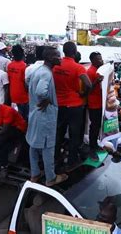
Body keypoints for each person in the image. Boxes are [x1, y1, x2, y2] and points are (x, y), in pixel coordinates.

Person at [26, 47, 68, 187]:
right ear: (50, 58)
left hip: (34, 114)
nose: (60, 58)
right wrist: (47, 99)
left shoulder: (37, 70)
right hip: (45, 117)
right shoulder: (46, 74)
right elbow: (40, 91)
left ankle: (35, 174)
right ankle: (50, 178)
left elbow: (27, 83)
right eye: (57, 56)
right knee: (48, 147)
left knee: (33, 144)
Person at [53, 42, 91, 170]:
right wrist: (82, 93)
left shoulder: (55, 65)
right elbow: (89, 84)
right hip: (75, 105)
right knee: (74, 135)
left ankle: (56, 159)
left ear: (63, 51)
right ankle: (71, 161)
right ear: (74, 52)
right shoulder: (78, 67)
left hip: (59, 104)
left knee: (59, 133)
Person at [86, 51, 104, 161]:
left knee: (97, 125)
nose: (101, 60)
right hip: (93, 104)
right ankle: (92, 147)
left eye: (101, 58)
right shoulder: (90, 72)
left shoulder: (98, 70)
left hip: (99, 102)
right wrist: (96, 82)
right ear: (93, 60)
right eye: (98, 59)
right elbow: (88, 89)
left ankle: (95, 144)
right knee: (94, 125)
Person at [7, 45, 29, 121]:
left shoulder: (10, 65)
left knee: (17, 117)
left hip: (13, 94)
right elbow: (26, 83)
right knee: (24, 117)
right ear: (22, 54)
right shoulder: (24, 66)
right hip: (23, 96)